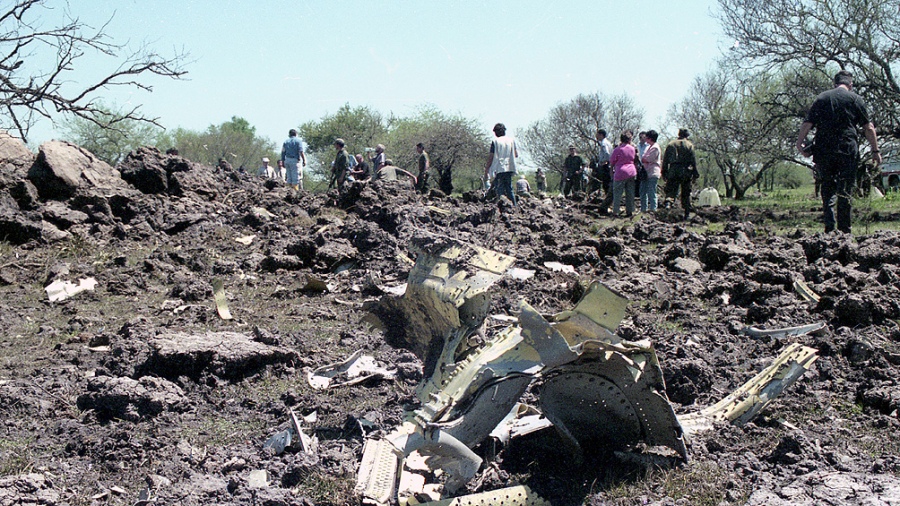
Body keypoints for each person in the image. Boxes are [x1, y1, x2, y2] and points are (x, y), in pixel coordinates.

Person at [796, 70, 881, 234]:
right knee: (845, 190)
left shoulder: (822, 98)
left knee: (827, 189)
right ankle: (844, 232)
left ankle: (829, 229)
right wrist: (875, 150)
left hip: (824, 150)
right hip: (847, 149)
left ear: (835, 84)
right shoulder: (855, 99)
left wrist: (800, 143)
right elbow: (868, 128)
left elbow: (808, 123)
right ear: (850, 84)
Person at [662, 128, 698, 220]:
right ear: (687, 136)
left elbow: (665, 160)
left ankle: (668, 205)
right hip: (685, 170)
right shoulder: (689, 145)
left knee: (671, 191)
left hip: (673, 170)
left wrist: (664, 172)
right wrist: (695, 173)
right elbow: (693, 161)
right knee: (686, 192)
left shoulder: (671, 144)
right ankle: (687, 213)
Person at [484, 123, 519, 206]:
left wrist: (487, 168)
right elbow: (516, 154)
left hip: (499, 168)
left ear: (496, 132)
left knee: (499, 188)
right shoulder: (511, 140)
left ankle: (502, 206)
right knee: (509, 188)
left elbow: (491, 157)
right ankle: (514, 206)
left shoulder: (495, 142)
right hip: (510, 167)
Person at [610, 131, 637, 217]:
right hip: (631, 172)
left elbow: (612, 162)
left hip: (620, 172)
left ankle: (616, 212)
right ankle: (630, 211)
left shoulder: (617, 149)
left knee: (617, 193)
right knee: (630, 193)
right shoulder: (632, 149)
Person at [639, 130, 662, 213]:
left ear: (650, 138)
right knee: (643, 191)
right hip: (646, 172)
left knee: (651, 192)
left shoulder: (655, 147)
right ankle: (643, 209)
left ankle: (653, 209)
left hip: (652, 172)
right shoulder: (649, 147)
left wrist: (644, 159)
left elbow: (647, 159)